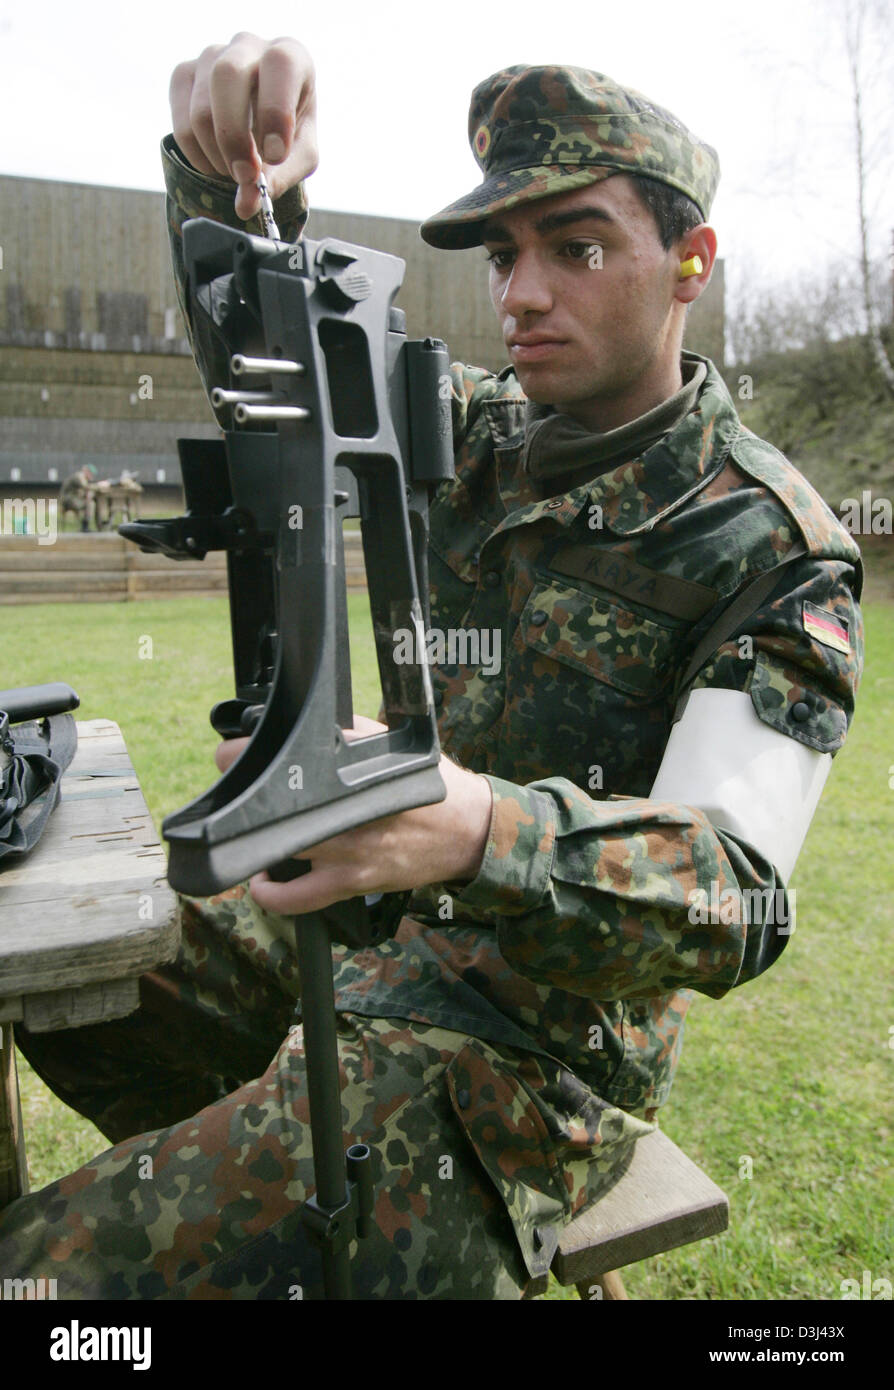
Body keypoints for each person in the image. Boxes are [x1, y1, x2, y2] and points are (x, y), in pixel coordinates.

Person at [0, 36, 863, 1300]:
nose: (519, 292)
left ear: (690, 263)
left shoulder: (768, 545)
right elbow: (280, 370)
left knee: (45, 1287)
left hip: (533, 1059)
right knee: (87, 939)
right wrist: (225, 181)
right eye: (505, 252)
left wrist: (474, 831)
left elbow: (729, 890)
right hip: (375, 939)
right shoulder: (472, 433)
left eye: (575, 246)